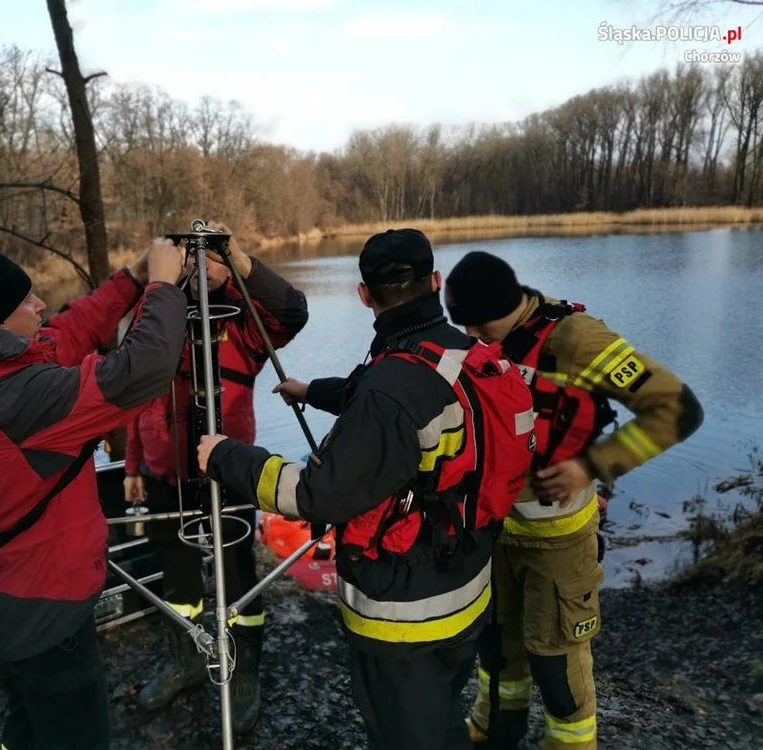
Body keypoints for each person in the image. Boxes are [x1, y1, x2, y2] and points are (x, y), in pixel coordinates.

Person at [196, 229, 538, 750]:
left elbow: (316, 495)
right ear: (436, 282)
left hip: (405, 617)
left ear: (363, 295)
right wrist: (312, 391)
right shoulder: (458, 354)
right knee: (443, 720)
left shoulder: (389, 388)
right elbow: (389, 405)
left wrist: (226, 457)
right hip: (468, 589)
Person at [0, 240, 188, 750]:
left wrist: (132, 278)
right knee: (76, 733)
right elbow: (144, 370)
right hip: (43, 607)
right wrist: (162, 286)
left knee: (30, 717)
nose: (41, 305)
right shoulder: (21, 400)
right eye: (27, 301)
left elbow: (68, 330)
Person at [443, 250, 705, 750]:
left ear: (510, 305)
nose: (474, 339)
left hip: (558, 542)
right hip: (494, 536)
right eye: (466, 328)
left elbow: (677, 407)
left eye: (481, 327)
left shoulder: (578, 339)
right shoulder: (480, 338)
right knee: (497, 654)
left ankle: (570, 744)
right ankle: (495, 732)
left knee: (556, 664)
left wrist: (592, 466)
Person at [122, 222, 309, 733]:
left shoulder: (242, 320)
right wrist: (133, 464)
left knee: (238, 578)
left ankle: (242, 669)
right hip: (167, 473)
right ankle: (186, 661)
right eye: (187, 255)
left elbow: (293, 312)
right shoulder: (154, 311)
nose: (196, 265)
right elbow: (133, 390)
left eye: (205, 256)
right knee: (177, 579)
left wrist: (238, 261)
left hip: (228, 470)